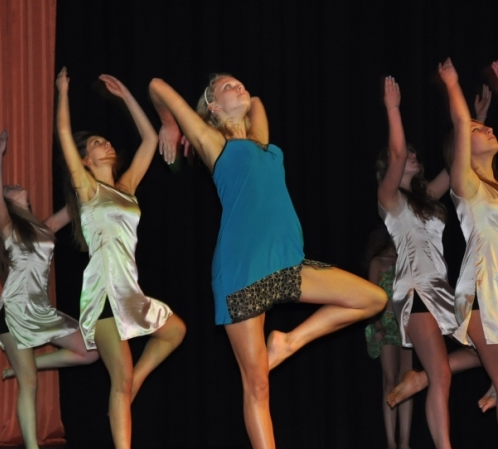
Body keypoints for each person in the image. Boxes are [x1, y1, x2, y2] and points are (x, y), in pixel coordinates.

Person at [148, 74, 386, 449]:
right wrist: (170, 125)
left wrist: (239, 98)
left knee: (373, 298)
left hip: (287, 263)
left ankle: (288, 341)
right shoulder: (212, 143)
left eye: (239, 83)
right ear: (212, 107)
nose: (240, 87)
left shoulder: (261, 141)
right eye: (228, 87)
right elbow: (157, 86)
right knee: (257, 385)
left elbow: (256, 101)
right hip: (241, 271)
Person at [56, 68, 186, 449]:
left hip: (129, 290)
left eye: (106, 139)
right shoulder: (87, 188)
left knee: (175, 331)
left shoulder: (127, 187)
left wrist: (126, 95)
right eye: (97, 143)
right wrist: (62, 92)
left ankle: (135, 384)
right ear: (85, 159)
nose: (106, 143)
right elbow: (63, 132)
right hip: (103, 292)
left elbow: (150, 138)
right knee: (120, 378)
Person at [0, 129, 98, 449]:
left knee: (90, 350)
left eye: (14, 185)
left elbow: (75, 205)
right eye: (10, 187)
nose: (13, 185)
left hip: (41, 309)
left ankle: (22, 368)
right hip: (15, 311)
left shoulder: (44, 228)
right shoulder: (8, 226)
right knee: (30, 384)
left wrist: (85, 170)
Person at [376, 75, 457, 448]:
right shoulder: (390, 199)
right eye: (406, 153)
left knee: (486, 346)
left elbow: (455, 166)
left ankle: (418, 378)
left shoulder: (428, 198)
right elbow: (395, 155)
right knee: (442, 375)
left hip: (442, 289)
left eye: (414, 153)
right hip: (415, 290)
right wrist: (393, 109)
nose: (412, 155)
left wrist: (471, 120)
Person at [429, 58, 498, 420]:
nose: (488, 130)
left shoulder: (491, 185)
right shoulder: (465, 186)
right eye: (478, 130)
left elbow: (468, 130)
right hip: (482, 296)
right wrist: (452, 83)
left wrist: (478, 120)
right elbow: (460, 125)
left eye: (485, 128)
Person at [363, 227, 413, 449]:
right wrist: (377, 324)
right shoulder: (378, 262)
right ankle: (391, 442)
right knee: (390, 379)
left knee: (407, 380)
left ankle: (405, 442)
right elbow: (370, 296)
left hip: (407, 325)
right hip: (385, 323)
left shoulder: (407, 260)